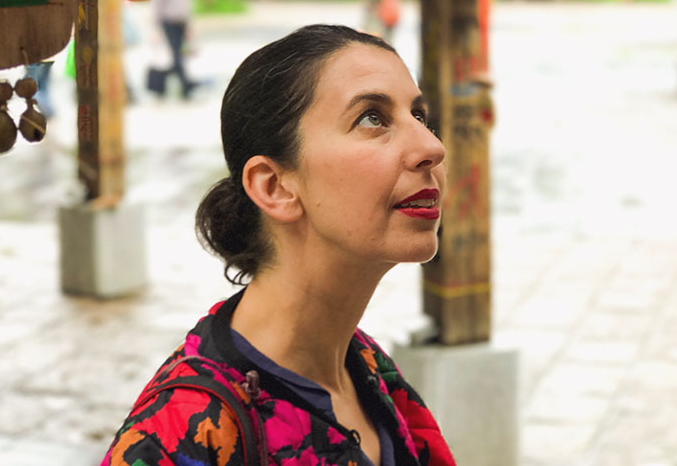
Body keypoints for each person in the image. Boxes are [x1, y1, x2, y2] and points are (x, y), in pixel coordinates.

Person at [101, 24, 455, 466]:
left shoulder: (363, 366)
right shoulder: (182, 434)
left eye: (419, 116)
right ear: (274, 187)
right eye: (372, 118)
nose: (431, 147)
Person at [152, 0, 197, 100]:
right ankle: (186, 84)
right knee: (176, 54)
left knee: (177, 56)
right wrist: (156, 29)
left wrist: (190, 28)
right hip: (168, 22)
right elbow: (157, 7)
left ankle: (161, 87)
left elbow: (188, 6)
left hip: (181, 23)